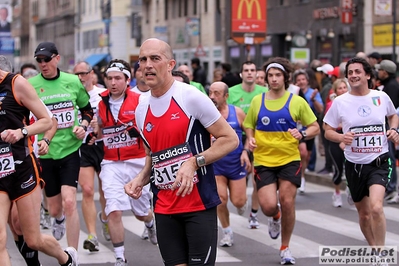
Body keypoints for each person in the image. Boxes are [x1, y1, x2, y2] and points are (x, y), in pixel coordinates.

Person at [125, 38, 238, 265]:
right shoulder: (141, 108)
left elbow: (230, 139)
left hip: (198, 204)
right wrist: (141, 177)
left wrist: (194, 162)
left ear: (170, 64)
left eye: (155, 58)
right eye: (143, 59)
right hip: (164, 206)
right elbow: (153, 155)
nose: (147, 65)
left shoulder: (190, 97)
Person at [0, 55, 79, 266]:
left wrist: (24, 133)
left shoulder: (17, 85)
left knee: (32, 239)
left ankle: (66, 258)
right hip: (0, 172)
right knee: (2, 238)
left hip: (22, 166)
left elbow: (48, 120)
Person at [243, 57, 320, 265]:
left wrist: (302, 133)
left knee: (287, 201)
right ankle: (275, 217)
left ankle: (285, 247)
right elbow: (249, 123)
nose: (274, 79)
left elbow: (315, 127)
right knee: (268, 206)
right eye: (270, 75)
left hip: (289, 159)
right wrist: (250, 137)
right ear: (266, 78)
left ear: (285, 78)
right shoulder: (258, 100)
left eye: (278, 75)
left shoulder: (296, 101)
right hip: (264, 160)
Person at [324, 57, 399, 264]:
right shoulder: (340, 102)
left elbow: (393, 116)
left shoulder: (380, 97)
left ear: (367, 75)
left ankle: (381, 254)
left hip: (379, 161)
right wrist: (341, 137)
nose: (354, 75)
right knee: (365, 214)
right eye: (350, 72)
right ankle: (374, 248)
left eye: (358, 71)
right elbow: (328, 130)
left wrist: (393, 130)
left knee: (376, 207)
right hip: (354, 165)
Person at [28, 42, 93, 250]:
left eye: (47, 59)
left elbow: (87, 110)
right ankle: (57, 219)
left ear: (57, 58)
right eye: (39, 60)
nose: (43, 64)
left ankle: (72, 255)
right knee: (55, 209)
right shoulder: (30, 85)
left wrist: (83, 126)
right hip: (45, 154)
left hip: (70, 150)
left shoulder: (72, 81)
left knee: (70, 202)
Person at [97, 59, 157, 265]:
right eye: (109, 78)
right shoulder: (100, 101)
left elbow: (151, 127)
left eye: (118, 78)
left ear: (127, 80)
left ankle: (149, 223)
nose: (113, 83)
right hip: (111, 162)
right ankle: (120, 258)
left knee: (141, 212)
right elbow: (97, 129)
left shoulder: (140, 100)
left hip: (137, 162)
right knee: (113, 208)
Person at [208, 81, 251, 247]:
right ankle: (227, 232)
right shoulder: (206, 115)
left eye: (217, 93)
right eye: (210, 92)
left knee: (238, 201)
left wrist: (247, 151)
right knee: (220, 199)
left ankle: (242, 203)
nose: (212, 97)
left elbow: (250, 133)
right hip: (216, 164)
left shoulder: (237, 112)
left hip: (236, 163)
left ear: (226, 96)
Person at [228, 61, 268, 230]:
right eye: (246, 70)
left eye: (253, 70)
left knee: (257, 177)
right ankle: (241, 200)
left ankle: (253, 213)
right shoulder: (231, 92)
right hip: (238, 139)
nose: (250, 73)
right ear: (241, 74)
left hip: (260, 139)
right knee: (241, 180)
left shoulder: (265, 92)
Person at [73, 61, 108, 251]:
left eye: (84, 73)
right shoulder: (72, 95)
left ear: (91, 74)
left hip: (103, 146)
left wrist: (99, 124)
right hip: (83, 146)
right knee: (87, 190)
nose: (81, 78)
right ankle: (92, 235)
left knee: (105, 191)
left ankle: (105, 218)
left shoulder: (102, 94)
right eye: (77, 74)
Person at [293, 69, 324, 193]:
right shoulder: (293, 92)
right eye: (298, 80)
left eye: (303, 79)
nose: (301, 82)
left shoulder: (313, 92)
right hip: (296, 129)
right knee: (303, 152)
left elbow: (320, 109)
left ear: (307, 81)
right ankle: (299, 176)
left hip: (310, 128)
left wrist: (314, 99)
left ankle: (302, 174)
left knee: (307, 155)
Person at [375, 59, 399, 203]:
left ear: (385, 72)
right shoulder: (390, 85)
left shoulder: (391, 87)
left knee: (389, 157)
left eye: (380, 70)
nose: (378, 72)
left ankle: (392, 188)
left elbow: (391, 111)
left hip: (389, 128)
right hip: (388, 127)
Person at [325, 79, 349, 207]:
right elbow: (327, 126)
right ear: (335, 91)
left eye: (345, 87)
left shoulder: (352, 103)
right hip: (336, 139)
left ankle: (351, 189)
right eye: (340, 88)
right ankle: (337, 193)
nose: (343, 90)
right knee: (338, 169)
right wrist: (340, 137)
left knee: (352, 168)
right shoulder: (332, 104)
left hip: (350, 139)